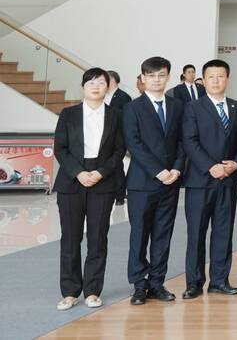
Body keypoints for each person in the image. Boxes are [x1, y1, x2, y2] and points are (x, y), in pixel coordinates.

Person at [54, 67, 126, 310]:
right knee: (70, 238)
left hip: (102, 181)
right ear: (83, 87)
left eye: (101, 83)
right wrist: (79, 173)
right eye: (91, 82)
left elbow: (119, 150)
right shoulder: (69, 114)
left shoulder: (115, 115)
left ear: (108, 87)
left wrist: (100, 172)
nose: (96, 86)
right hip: (71, 180)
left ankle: (93, 291)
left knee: (97, 238)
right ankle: (69, 292)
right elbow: (60, 148)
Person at [123, 56, 185, 305]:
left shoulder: (178, 106)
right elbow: (133, 143)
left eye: (161, 75)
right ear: (143, 78)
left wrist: (177, 169)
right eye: (151, 76)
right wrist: (159, 171)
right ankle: (139, 284)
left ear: (168, 77)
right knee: (139, 234)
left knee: (163, 234)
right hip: (142, 182)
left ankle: (157, 282)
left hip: (171, 182)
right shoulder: (132, 108)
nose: (156, 80)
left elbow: (183, 140)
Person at [181, 59, 237, 299]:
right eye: (211, 77)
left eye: (220, 76)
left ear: (227, 79)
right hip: (200, 180)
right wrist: (211, 166)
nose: (216, 81)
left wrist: (236, 163)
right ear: (204, 80)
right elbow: (189, 141)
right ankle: (194, 282)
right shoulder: (193, 107)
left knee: (223, 232)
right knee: (196, 233)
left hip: (228, 180)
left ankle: (219, 280)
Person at [103, 70, 131, 205]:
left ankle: (120, 195)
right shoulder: (102, 95)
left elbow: (125, 118)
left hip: (117, 136)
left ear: (113, 80)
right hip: (104, 136)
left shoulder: (123, 97)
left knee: (117, 166)